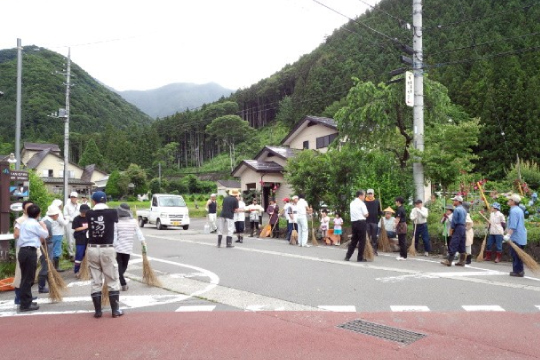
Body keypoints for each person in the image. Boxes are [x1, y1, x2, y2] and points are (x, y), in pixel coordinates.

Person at [86, 191, 122, 318]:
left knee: (95, 279)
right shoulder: (112, 213)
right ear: (106, 200)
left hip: (92, 248)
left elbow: (87, 232)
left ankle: (98, 311)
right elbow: (116, 230)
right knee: (112, 278)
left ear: (93, 201)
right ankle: (115, 311)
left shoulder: (89, 213)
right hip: (107, 248)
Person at [17, 204, 49, 312]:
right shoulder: (35, 224)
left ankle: (27, 300)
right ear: (38, 214)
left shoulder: (25, 222)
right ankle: (25, 304)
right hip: (29, 251)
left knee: (26, 277)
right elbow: (45, 235)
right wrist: (44, 226)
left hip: (23, 251)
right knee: (28, 278)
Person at [114, 203, 147, 290]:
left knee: (121, 267)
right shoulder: (134, 222)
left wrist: (112, 245)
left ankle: (119, 279)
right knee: (123, 266)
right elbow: (139, 233)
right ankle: (123, 283)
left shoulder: (117, 222)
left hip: (119, 248)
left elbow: (114, 236)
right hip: (125, 248)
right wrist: (143, 242)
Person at [12, 200, 34, 305]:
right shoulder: (20, 220)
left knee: (29, 274)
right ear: (23, 209)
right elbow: (16, 234)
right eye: (28, 207)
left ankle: (26, 296)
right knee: (21, 274)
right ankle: (19, 297)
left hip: (33, 249)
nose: (30, 209)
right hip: (23, 249)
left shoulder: (33, 219)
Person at [504, 194, 527, 277]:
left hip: (516, 237)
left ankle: (517, 271)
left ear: (513, 202)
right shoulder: (519, 210)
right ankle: (520, 271)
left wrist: (508, 235)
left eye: (510, 200)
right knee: (519, 254)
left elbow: (513, 225)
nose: (508, 201)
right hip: (521, 236)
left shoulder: (513, 211)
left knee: (516, 254)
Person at [441, 195, 467, 267]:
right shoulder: (464, 210)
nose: (453, 202)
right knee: (462, 244)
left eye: (454, 200)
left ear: (458, 201)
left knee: (453, 243)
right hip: (463, 227)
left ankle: (449, 260)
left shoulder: (457, 210)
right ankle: (462, 261)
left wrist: (452, 229)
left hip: (458, 227)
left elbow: (454, 221)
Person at [345, 190, 369, 261]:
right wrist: (367, 214)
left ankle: (347, 256)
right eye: (364, 195)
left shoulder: (352, 203)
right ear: (360, 195)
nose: (365, 197)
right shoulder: (362, 204)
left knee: (354, 240)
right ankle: (359, 258)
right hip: (361, 222)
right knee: (362, 241)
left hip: (354, 223)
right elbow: (366, 214)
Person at [72, 204, 90, 278]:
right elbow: (76, 228)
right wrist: (85, 227)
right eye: (83, 212)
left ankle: (87, 270)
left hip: (89, 239)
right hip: (80, 239)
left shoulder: (89, 218)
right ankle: (77, 271)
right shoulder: (77, 219)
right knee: (79, 255)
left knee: (88, 255)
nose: (84, 214)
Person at [49, 199, 67, 272]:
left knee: (52, 250)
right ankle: (56, 267)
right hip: (57, 233)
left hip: (53, 233)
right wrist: (68, 219)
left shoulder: (50, 211)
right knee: (56, 250)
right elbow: (63, 223)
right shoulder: (57, 212)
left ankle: (53, 267)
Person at [364, 189, 382, 255]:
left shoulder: (377, 201)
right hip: (367, 222)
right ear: (367, 194)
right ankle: (366, 250)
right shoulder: (364, 202)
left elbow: (379, 210)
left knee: (374, 237)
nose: (370, 195)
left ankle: (374, 250)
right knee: (367, 236)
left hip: (374, 221)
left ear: (373, 194)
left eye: (371, 193)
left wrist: (381, 212)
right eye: (368, 193)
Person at [64, 191, 80, 261]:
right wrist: (72, 219)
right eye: (72, 197)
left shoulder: (79, 205)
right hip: (70, 223)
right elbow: (65, 215)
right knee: (70, 239)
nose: (73, 199)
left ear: (77, 198)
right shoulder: (67, 206)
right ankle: (71, 254)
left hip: (78, 224)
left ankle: (78, 253)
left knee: (77, 239)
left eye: (74, 197)